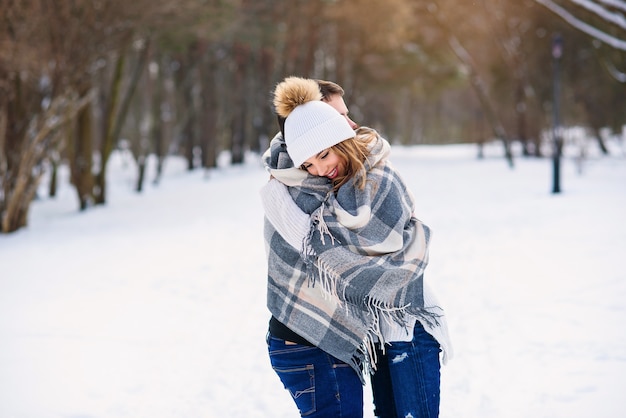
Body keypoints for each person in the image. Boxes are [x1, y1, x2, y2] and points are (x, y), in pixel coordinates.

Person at [261, 77, 452, 418]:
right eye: (337, 115)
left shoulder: (373, 178)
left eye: (346, 116)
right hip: (316, 339)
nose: (351, 124)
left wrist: (280, 205)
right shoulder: (300, 189)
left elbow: (332, 244)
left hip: (404, 325)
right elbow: (315, 247)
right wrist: (279, 202)